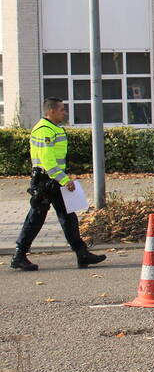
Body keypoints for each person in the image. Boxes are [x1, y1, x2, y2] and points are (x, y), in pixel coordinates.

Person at [11, 98, 105, 271]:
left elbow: (57, 158)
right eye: (62, 109)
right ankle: (19, 255)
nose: (65, 112)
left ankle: (81, 253)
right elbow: (47, 161)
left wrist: (63, 177)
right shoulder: (44, 130)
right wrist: (64, 180)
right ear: (51, 111)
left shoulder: (53, 129)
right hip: (46, 181)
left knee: (68, 217)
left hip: (53, 180)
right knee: (36, 219)